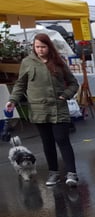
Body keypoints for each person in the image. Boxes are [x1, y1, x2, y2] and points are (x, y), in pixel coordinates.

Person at [5, 33, 81, 186]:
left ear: (49, 47)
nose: (40, 50)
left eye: (43, 47)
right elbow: (20, 85)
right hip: (39, 109)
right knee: (47, 143)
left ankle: (71, 173)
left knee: (62, 140)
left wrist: (65, 96)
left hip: (58, 107)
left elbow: (73, 83)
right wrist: (12, 100)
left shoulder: (58, 62)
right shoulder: (28, 62)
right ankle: (53, 172)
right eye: (37, 47)